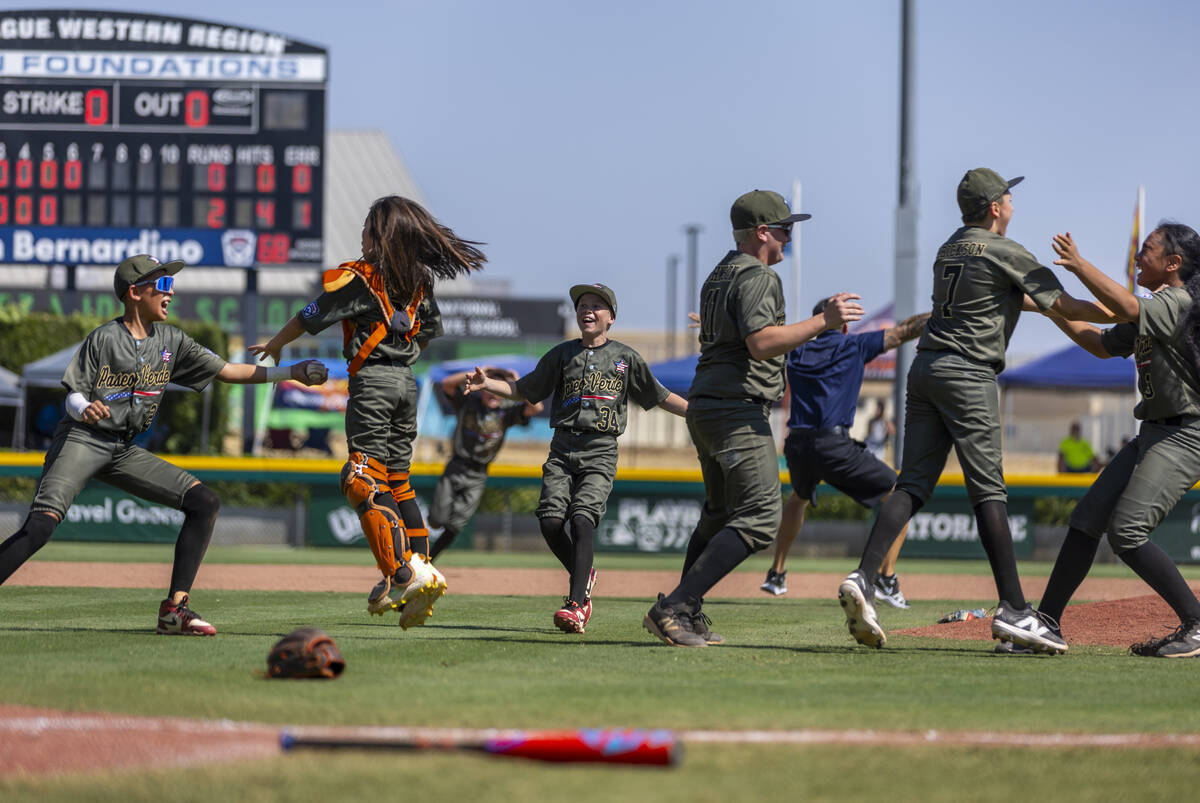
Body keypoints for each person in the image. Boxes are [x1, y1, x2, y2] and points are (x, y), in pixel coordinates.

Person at [836, 168, 1116, 653]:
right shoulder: (1005, 248)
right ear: (995, 207)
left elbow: (1003, 299)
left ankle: (864, 576)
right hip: (968, 372)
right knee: (989, 489)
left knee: (910, 485)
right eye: (1008, 196)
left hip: (925, 369)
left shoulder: (950, 247)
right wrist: (1125, 311)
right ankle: (1014, 609)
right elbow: (1067, 307)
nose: (1012, 202)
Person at [0, 254, 327, 635]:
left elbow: (228, 371)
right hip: (82, 438)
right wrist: (84, 406)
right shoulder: (105, 338)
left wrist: (293, 372)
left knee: (204, 502)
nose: (171, 293)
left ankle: (175, 610)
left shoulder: (172, 341)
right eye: (164, 285)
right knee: (40, 527)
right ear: (135, 292)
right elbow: (73, 392)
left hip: (122, 448)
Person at [643, 189, 863, 648]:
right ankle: (674, 608)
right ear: (762, 233)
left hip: (707, 404)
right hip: (735, 410)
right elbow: (761, 344)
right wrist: (824, 320)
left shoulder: (719, 274)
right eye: (784, 229)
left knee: (720, 514)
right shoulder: (758, 275)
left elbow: (745, 337)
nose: (789, 238)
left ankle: (686, 609)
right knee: (762, 518)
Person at [254, 195, 485, 630]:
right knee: (397, 480)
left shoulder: (360, 279)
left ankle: (402, 575)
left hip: (374, 382)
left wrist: (276, 345)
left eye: (366, 227)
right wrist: (401, 358)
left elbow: (310, 316)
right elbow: (429, 331)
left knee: (360, 476)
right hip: (406, 382)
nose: (360, 234)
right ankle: (423, 567)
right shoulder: (419, 281)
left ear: (380, 236)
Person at [466, 283, 687, 634]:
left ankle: (576, 604)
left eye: (597, 305)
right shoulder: (561, 355)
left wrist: (697, 414)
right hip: (562, 447)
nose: (588, 310)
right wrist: (487, 383)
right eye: (583, 304)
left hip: (601, 448)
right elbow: (524, 390)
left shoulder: (626, 358)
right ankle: (584, 574)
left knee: (583, 519)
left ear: (610, 318)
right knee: (551, 522)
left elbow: (659, 396)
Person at [1034, 223, 1200, 658]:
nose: (1137, 257)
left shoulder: (1177, 302)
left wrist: (1078, 264)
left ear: (1173, 263)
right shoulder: (1151, 310)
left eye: (1147, 250)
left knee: (1127, 532)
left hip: (1185, 434)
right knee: (1087, 518)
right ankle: (1046, 623)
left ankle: (1198, 626)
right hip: (1154, 431)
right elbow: (1099, 345)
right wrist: (1049, 308)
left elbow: (1123, 303)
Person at [761, 298, 929, 608]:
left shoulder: (796, 350)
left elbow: (755, 342)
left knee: (798, 498)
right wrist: (947, 310)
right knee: (901, 493)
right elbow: (905, 331)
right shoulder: (853, 345)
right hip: (832, 444)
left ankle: (777, 573)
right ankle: (886, 579)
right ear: (846, 325)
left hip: (797, 445)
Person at [426, 366, 542, 561]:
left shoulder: (507, 412)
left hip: (479, 474)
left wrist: (518, 384)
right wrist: (483, 371)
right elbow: (446, 384)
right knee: (437, 520)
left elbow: (536, 407)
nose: (493, 395)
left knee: (456, 524)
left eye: (499, 390)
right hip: (457, 466)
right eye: (490, 388)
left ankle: (428, 560)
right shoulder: (468, 402)